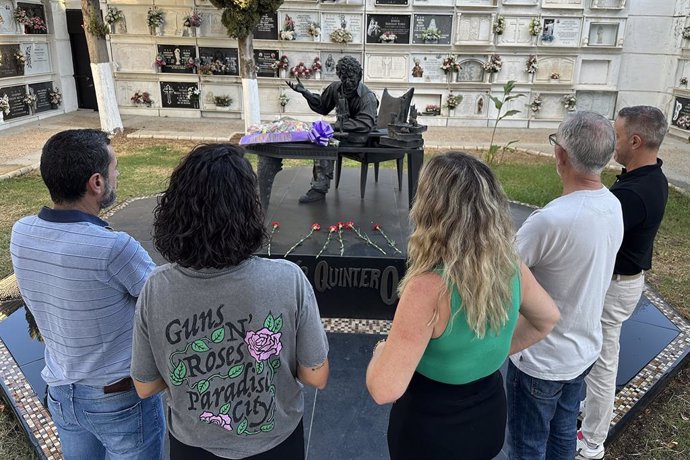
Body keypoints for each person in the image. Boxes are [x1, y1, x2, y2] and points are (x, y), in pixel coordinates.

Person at [130, 144, 330, 459]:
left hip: (193, 446)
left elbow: (145, 385)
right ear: (250, 210)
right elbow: (316, 375)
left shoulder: (157, 287)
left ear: (176, 210)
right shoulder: (288, 280)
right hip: (276, 443)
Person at [366, 152, 560, 460]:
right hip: (487, 421)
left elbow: (384, 389)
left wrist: (380, 352)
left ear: (431, 209)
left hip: (430, 433)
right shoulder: (510, 267)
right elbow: (546, 319)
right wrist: (488, 353)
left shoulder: (427, 288)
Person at [10, 129, 165, 459]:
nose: (117, 175)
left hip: (61, 393)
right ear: (97, 183)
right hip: (119, 399)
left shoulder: (21, 233)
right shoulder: (112, 248)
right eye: (114, 168)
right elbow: (160, 300)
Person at [507, 111, 624, 460]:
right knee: (561, 437)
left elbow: (502, 272)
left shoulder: (550, 221)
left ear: (560, 156)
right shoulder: (613, 205)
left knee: (527, 446)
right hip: (583, 350)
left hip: (541, 358)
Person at [577, 106, 669, 460]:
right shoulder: (645, 176)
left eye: (615, 136)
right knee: (598, 355)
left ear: (635, 140)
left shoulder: (634, 194)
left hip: (615, 286)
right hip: (622, 280)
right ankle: (588, 411)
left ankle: (592, 442)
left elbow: (594, 235)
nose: (611, 144)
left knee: (602, 364)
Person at [282, 56, 379, 203]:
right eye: (344, 77)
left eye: (351, 78)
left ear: (359, 75)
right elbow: (323, 105)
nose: (348, 82)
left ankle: (319, 189)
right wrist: (305, 93)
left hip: (359, 138)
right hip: (341, 134)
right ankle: (320, 183)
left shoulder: (367, 97)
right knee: (321, 136)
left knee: (325, 140)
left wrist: (336, 127)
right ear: (339, 77)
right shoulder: (336, 88)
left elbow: (365, 123)